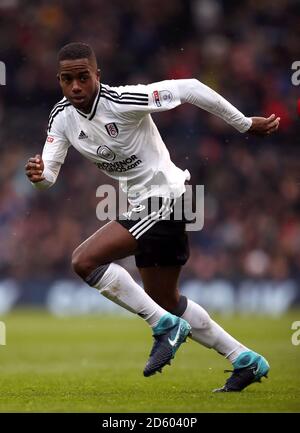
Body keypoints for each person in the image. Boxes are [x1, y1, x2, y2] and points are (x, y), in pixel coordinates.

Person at [25, 42, 280, 391]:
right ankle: (245, 360)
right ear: (59, 80)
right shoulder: (62, 118)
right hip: (144, 205)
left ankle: (164, 327)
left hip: (168, 198)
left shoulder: (124, 101)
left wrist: (243, 123)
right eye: (67, 80)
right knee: (166, 299)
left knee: (84, 261)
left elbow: (189, 87)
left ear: (97, 75)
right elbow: (49, 175)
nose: (76, 88)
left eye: (83, 78)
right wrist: (40, 177)